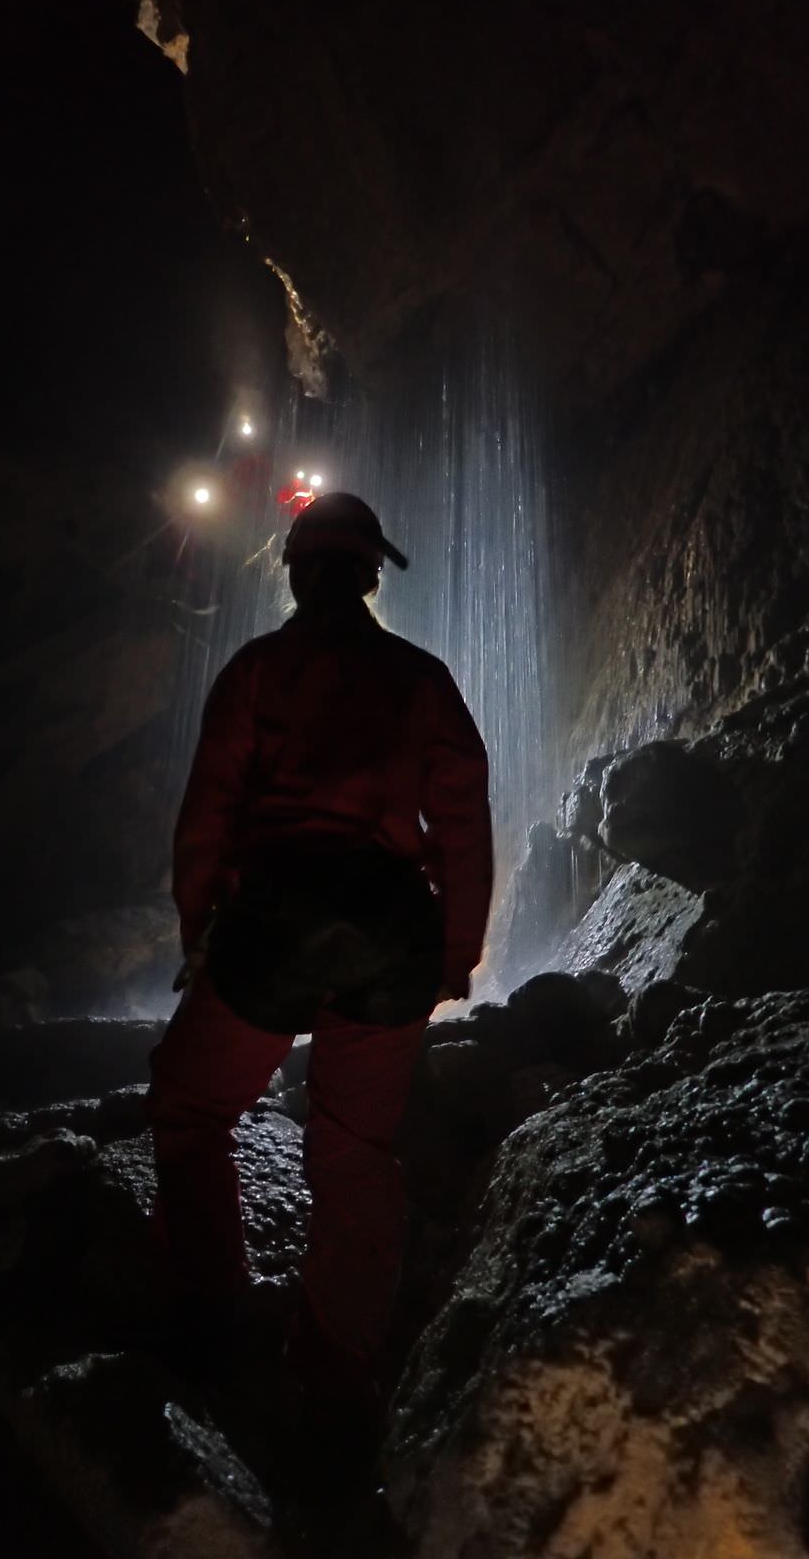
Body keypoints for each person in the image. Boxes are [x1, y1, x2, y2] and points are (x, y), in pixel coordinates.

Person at [147, 491, 493, 1426]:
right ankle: (336, 1379)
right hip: (392, 929)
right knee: (352, 1155)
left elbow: (210, 812)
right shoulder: (420, 678)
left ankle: (210, 1311)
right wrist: (457, 950)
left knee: (187, 1108)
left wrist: (199, 930)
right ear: (373, 575)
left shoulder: (258, 672)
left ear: (296, 572)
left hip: (277, 921)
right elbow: (460, 820)